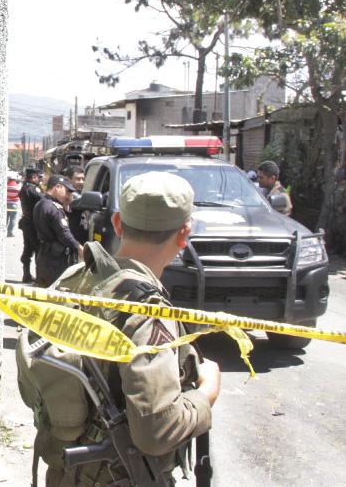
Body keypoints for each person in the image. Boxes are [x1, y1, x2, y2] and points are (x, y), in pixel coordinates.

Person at [17, 172, 220, 486]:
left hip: (64, 472)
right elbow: (156, 431)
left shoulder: (75, 278)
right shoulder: (147, 313)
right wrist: (207, 393)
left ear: (117, 224)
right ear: (184, 234)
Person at [32, 174, 84, 288]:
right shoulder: (54, 208)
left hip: (44, 257)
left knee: (43, 292)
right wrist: (79, 248)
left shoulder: (41, 203)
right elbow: (64, 233)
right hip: (55, 261)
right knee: (55, 294)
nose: (68, 195)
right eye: (67, 191)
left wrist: (66, 205)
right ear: (58, 187)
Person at [19, 168, 44, 283]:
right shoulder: (32, 189)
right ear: (34, 177)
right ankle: (39, 276)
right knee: (38, 249)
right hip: (33, 224)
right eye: (38, 177)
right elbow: (44, 199)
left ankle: (27, 274)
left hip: (27, 223)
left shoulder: (24, 188)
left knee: (28, 249)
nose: (39, 180)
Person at [329, 166, 346, 257]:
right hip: (335, 211)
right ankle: (337, 249)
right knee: (335, 230)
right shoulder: (338, 185)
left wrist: (344, 207)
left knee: (344, 231)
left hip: (343, 213)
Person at [61, 165, 88, 244]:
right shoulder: (67, 194)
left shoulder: (80, 193)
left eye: (83, 179)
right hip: (71, 238)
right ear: (68, 179)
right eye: (78, 179)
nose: (81, 182)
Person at [6, 173, 21, 237]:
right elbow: (19, 195)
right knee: (13, 219)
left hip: (6, 204)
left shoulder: (6, 186)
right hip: (14, 205)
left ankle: (1, 231)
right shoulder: (17, 186)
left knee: (5, 219)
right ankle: (10, 232)